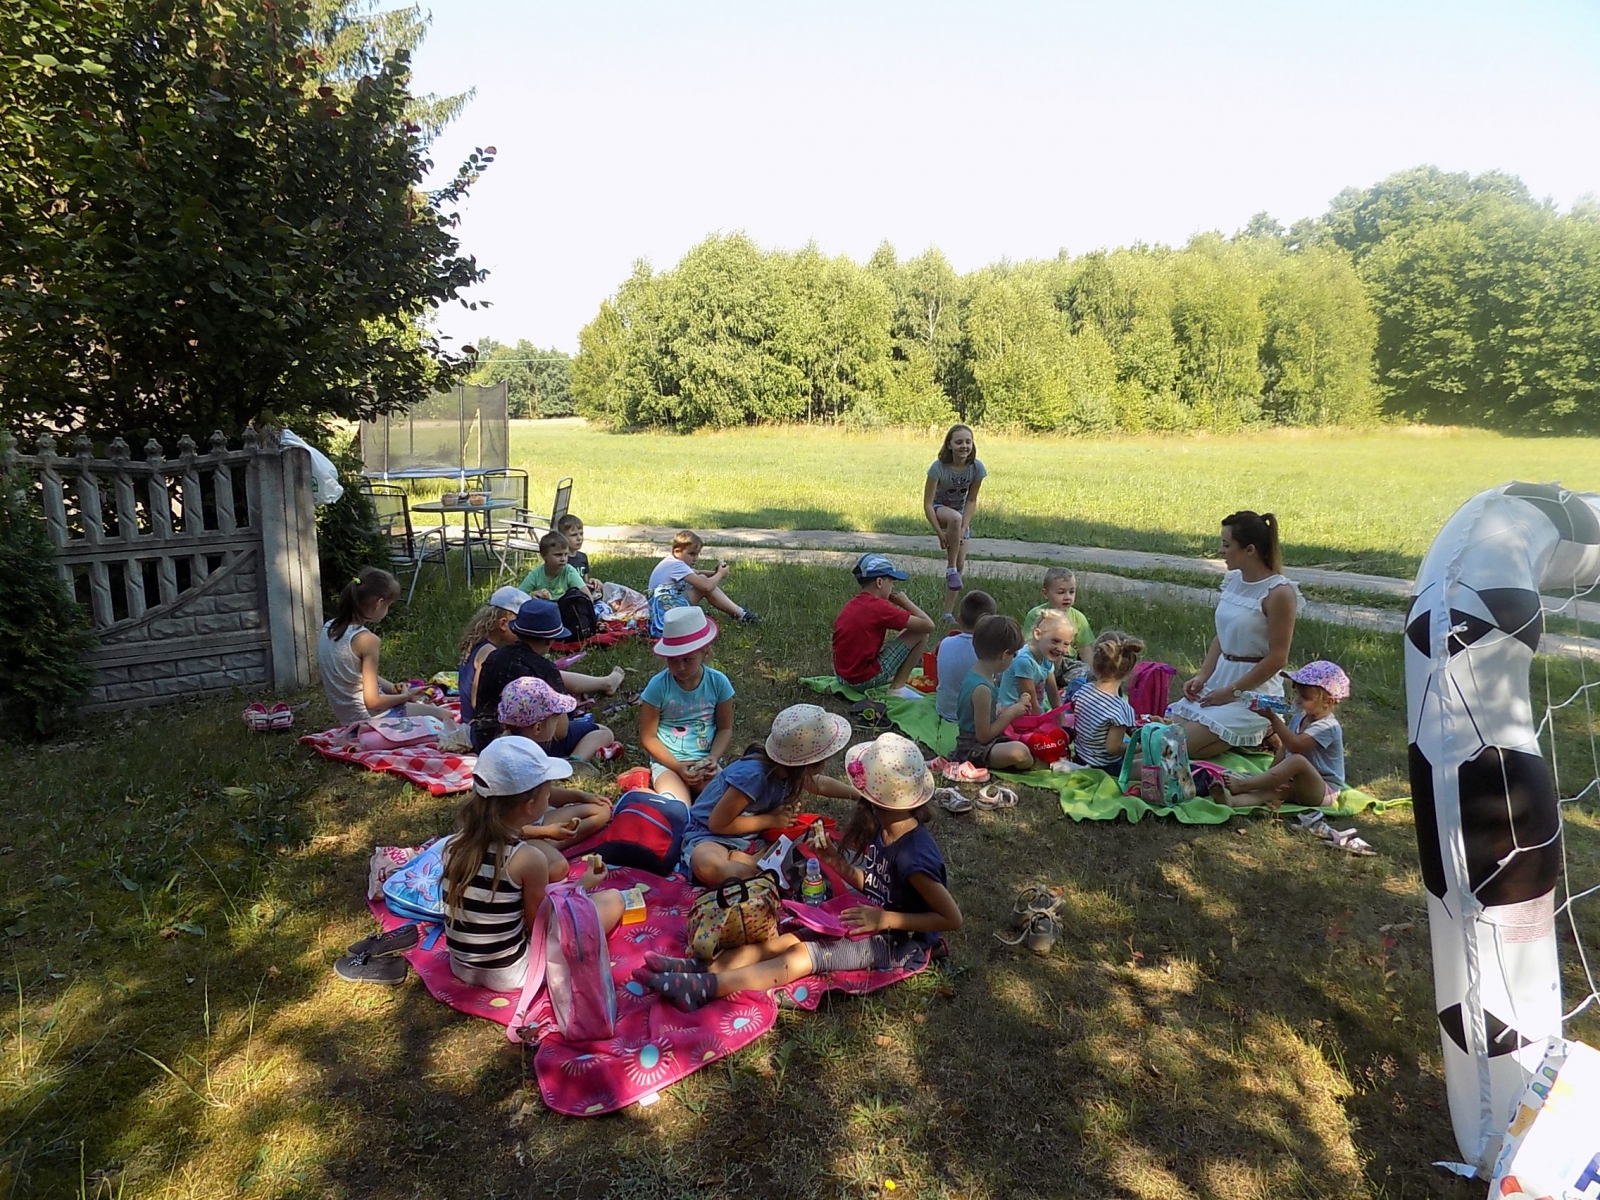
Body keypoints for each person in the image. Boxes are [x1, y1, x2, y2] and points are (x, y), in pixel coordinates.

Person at [635, 733, 961, 1012]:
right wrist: (834, 861)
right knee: (788, 939)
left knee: (804, 955)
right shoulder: (886, 829)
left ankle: (708, 987)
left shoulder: (914, 858)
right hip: (875, 920)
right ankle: (699, 967)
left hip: (901, 942)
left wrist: (885, 920)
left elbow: (950, 918)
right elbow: (876, 885)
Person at [440, 736, 625, 991]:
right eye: (548, 793)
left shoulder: (454, 844)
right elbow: (540, 927)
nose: (550, 797)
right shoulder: (528, 859)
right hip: (514, 973)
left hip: (460, 965)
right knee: (614, 900)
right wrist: (582, 886)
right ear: (529, 806)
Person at [1167, 511, 1300, 759]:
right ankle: (1119, 762)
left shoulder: (1279, 593)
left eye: (1227, 545)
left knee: (1174, 749)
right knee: (1166, 736)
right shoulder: (1233, 581)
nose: (1221, 551)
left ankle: (1265, 729)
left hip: (1252, 692)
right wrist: (1203, 676)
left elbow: (1278, 657)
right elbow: (1223, 636)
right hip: (1220, 681)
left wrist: (1233, 692)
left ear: (1250, 550)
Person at [682, 704, 860, 886]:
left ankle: (755, 867)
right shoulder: (754, 776)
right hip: (710, 836)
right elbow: (718, 824)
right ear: (809, 764)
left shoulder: (788, 770)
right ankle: (766, 874)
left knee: (810, 851)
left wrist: (858, 795)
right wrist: (772, 820)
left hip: (754, 838)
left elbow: (820, 784)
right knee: (709, 867)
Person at [471, 599, 624, 753]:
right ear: (550, 641)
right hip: (529, 746)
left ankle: (606, 682)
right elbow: (561, 731)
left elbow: (478, 703)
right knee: (603, 732)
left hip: (484, 741)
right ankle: (575, 761)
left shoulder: (493, 657)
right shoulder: (546, 671)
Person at [318, 568, 453, 726]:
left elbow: (355, 674)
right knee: (447, 716)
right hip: (372, 719)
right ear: (379, 603)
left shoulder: (329, 628)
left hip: (347, 717)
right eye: (388, 605)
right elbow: (373, 702)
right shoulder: (367, 640)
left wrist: (393, 689)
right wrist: (404, 697)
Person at [1211, 661, 1349, 809]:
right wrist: (1269, 775)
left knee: (1297, 761)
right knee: (1271, 792)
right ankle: (1232, 801)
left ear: (1327, 702)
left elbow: (1295, 746)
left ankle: (1244, 784)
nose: (1297, 700)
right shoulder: (1300, 716)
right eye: (1297, 694)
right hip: (1295, 783)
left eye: (1305, 697)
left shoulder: (1327, 727)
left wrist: (1273, 718)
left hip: (1322, 791)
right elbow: (1284, 748)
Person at [638, 608, 735, 803]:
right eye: (672, 660)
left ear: (705, 652)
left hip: (705, 762)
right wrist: (676, 766)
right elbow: (648, 736)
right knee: (678, 807)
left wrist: (713, 758)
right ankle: (640, 794)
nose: (680, 667)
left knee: (724, 803)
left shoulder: (718, 683)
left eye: (687, 660)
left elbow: (725, 728)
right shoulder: (658, 686)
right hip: (668, 763)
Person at [497, 676, 626, 807]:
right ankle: (573, 761)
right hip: (534, 817)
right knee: (598, 812)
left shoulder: (502, 749)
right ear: (538, 728)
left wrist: (580, 797)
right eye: (556, 718)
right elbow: (541, 802)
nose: (558, 721)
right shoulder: (529, 763)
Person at [832, 553, 934, 693]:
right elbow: (928, 626)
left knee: (911, 629)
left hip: (842, 676)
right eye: (891, 581)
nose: (892, 586)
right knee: (920, 633)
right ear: (879, 582)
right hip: (861, 680)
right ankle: (897, 688)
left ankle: (886, 679)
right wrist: (905, 602)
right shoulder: (879, 607)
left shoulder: (855, 603)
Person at [951, 615, 1035, 774]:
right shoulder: (982, 689)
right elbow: (983, 737)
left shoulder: (984, 674)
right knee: (1020, 752)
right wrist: (1011, 712)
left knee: (1028, 740)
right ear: (1004, 655)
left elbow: (989, 714)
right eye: (1013, 655)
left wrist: (1017, 706)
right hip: (973, 749)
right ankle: (1035, 764)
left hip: (987, 741)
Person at [922, 423, 986, 622]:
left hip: (960, 518)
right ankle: (949, 567)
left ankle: (947, 614)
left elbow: (971, 500)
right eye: (958, 442)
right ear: (949, 445)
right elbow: (927, 503)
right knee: (955, 519)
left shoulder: (976, 468)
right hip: (940, 510)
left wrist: (965, 527)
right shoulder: (938, 468)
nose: (964, 446)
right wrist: (939, 533)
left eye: (968, 442)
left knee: (960, 565)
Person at [647, 530, 760, 635]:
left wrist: (715, 573)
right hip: (665, 613)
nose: (695, 558)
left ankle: (739, 612)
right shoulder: (677, 565)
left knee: (702, 578)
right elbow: (706, 587)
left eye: (697, 554)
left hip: (662, 610)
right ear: (677, 552)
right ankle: (742, 615)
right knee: (703, 584)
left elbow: (696, 572)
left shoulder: (671, 562)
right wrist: (720, 574)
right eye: (692, 554)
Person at [456, 585, 533, 729]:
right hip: (478, 727)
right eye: (520, 624)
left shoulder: (479, 644)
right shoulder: (489, 653)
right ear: (503, 624)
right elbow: (477, 702)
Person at [1072, 631, 1144, 770]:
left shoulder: (1084, 690)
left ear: (1094, 663)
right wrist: (1142, 746)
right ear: (1129, 670)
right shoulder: (1121, 709)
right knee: (1153, 763)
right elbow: (1113, 748)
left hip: (1080, 756)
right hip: (1104, 765)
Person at [1024, 568, 1094, 691]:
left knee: (1085, 671)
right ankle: (1042, 686)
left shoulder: (1078, 618)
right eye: (1061, 592)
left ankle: (1069, 690)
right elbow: (1027, 645)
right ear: (1045, 593)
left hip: (1064, 663)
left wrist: (1094, 674)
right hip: (1040, 660)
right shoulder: (1036, 614)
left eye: (1071, 592)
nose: (1067, 597)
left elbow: (1086, 651)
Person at [935, 590, 997, 724]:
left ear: (959, 619)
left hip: (944, 710)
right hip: (975, 719)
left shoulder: (945, 643)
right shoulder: (990, 651)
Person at [998, 609, 1069, 713]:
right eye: (1055, 641)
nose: (1060, 648)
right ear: (1038, 634)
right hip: (1011, 714)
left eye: (1066, 644)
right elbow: (1032, 704)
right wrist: (1044, 720)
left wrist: (1061, 720)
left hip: (1031, 713)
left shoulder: (1046, 657)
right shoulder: (1024, 661)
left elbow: (1054, 695)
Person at [519, 531, 587, 601]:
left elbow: (587, 597)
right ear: (544, 555)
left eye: (566, 554)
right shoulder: (536, 575)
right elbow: (517, 597)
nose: (563, 559)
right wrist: (531, 596)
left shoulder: (569, 572)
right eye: (558, 555)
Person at [556, 513, 603, 596]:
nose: (579, 538)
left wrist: (592, 582)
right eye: (574, 535)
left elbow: (585, 582)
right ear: (562, 537)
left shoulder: (583, 557)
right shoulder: (561, 560)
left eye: (581, 534)